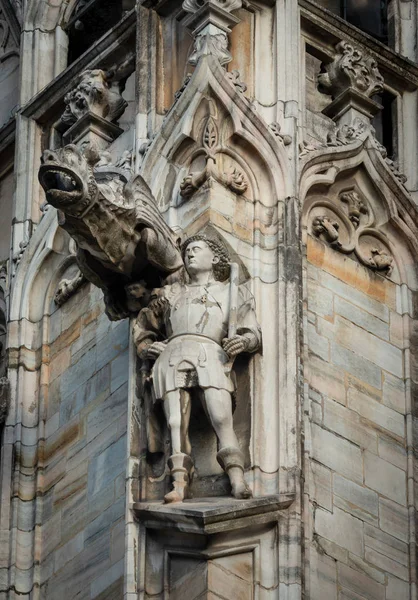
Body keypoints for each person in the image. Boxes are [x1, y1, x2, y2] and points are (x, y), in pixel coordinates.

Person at [133, 235, 261, 503]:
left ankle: (236, 478)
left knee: (221, 417)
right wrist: (147, 348)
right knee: (175, 422)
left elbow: (253, 333)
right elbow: (144, 328)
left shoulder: (231, 291)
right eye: (187, 250)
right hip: (173, 354)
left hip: (210, 353)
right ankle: (179, 482)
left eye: (196, 249)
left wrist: (243, 341)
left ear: (214, 257)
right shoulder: (170, 294)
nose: (189, 254)